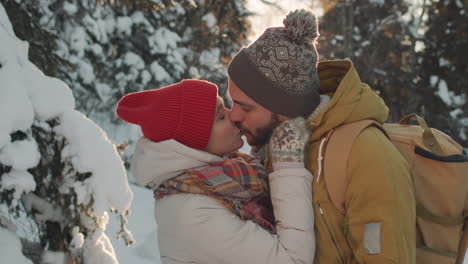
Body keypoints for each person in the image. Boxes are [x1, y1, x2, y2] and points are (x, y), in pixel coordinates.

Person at [227, 9, 416, 264]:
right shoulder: (277, 147)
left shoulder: (366, 153)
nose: (232, 116)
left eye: (245, 107)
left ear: (285, 110)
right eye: (232, 102)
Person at [115, 79, 316, 264]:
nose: (234, 116)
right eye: (221, 116)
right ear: (193, 143)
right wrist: (287, 166)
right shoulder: (192, 212)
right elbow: (292, 259)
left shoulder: (227, 177)